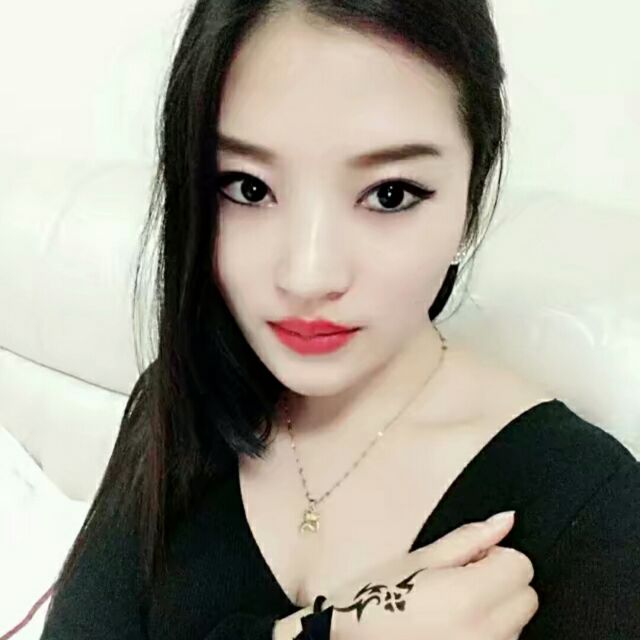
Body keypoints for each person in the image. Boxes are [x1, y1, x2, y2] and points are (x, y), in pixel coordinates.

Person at [39, 1, 639, 639]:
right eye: (247, 187)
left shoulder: (593, 513)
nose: (308, 275)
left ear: (472, 198)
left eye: (389, 194)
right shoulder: (181, 399)